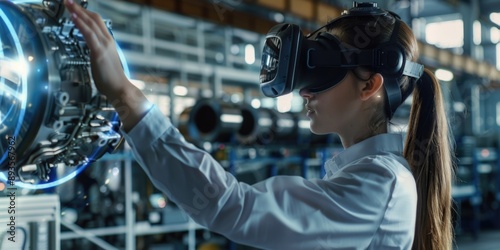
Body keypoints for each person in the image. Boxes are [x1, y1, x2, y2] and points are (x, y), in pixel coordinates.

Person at [64, 0, 454, 249]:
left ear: (369, 86)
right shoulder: (368, 175)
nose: (305, 92)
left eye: (318, 76)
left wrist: (129, 100)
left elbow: (236, 207)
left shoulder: (379, 184)